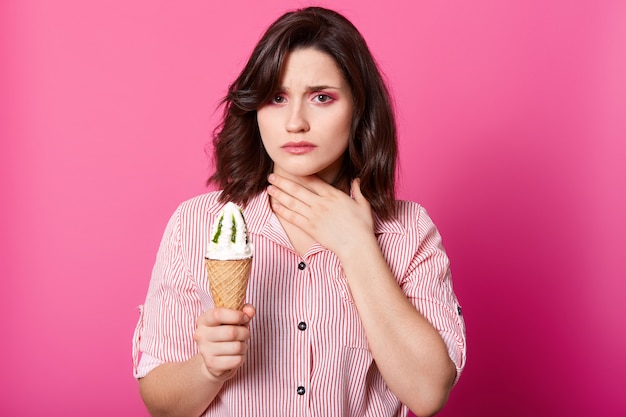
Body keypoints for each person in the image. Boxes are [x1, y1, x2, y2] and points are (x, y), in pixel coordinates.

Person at [132, 6, 466, 417]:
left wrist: (357, 246)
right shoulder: (196, 225)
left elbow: (428, 393)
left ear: (358, 109)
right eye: (277, 97)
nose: (295, 123)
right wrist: (207, 369)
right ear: (255, 109)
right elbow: (161, 403)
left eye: (321, 97)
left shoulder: (408, 231)